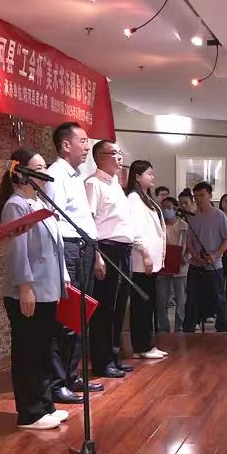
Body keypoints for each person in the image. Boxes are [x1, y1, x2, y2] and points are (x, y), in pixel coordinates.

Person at [0, 148, 68, 432]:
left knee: (43, 350)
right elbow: (18, 250)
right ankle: (29, 412)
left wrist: (63, 278)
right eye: (38, 168)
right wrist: (25, 286)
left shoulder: (40, 205)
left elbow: (55, 248)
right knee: (28, 352)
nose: (45, 173)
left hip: (48, 290)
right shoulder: (16, 205)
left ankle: (45, 405)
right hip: (29, 291)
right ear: (21, 172)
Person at [43, 122, 103, 403]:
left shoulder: (76, 175)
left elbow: (84, 219)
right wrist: (61, 267)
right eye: (83, 141)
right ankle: (57, 383)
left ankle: (72, 375)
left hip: (84, 249)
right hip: (68, 250)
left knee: (81, 317)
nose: (87, 147)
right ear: (65, 145)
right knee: (65, 320)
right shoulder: (56, 175)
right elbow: (53, 222)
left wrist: (96, 253)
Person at [84, 141, 136, 379]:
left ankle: (114, 356)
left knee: (119, 306)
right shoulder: (93, 184)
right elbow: (89, 222)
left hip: (124, 250)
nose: (119, 157)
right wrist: (97, 256)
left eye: (120, 153)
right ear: (99, 157)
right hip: (106, 249)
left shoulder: (116, 184)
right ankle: (101, 361)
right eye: (114, 153)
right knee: (105, 308)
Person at [124, 160, 168, 361]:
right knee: (142, 304)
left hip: (150, 260)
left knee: (147, 303)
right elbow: (135, 230)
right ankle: (142, 345)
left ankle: (145, 344)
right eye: (149, 173)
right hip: (142, 260)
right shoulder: (133, 198)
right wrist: (146, 253)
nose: (153, 177)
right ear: (137, 176)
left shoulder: (146, 198)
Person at [182, 182, 227, 333]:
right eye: (196, 196)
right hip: (196, 265)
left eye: (202, 195)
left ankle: (222, 329)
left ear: (210, 195)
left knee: (218, 299)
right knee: (192, 299)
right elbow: (189, 241)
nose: (199, 199)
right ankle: (189, 328)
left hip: (214, 265)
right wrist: (195, 256)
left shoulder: (219, 216)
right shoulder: (192, 216)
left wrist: (215, 254)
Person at [156, 197, 191, 333]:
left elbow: (190, 246)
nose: (166, 210)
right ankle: (163, 326)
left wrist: (186, 257)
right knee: (161, 298)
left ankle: (179, 325)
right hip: (163, 265)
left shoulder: (184, 226)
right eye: (163, 207)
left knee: (181, 298)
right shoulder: (158, 225)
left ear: (175, 208)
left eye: (169, 207)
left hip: (180, 265)